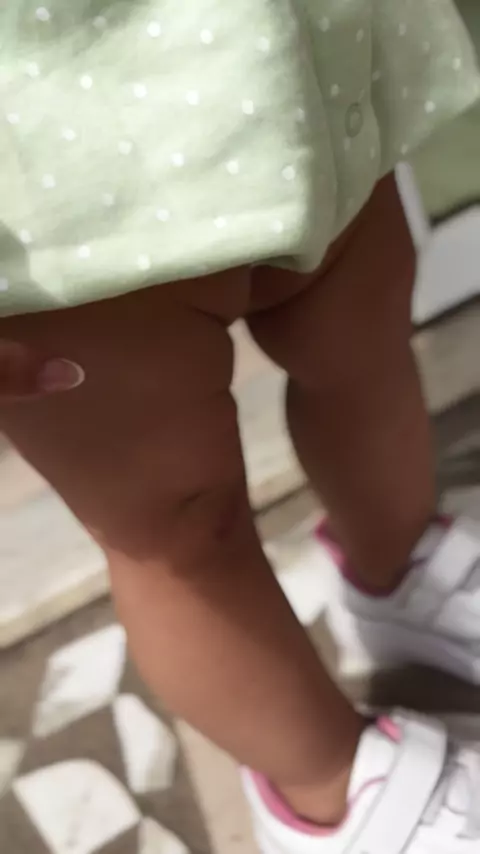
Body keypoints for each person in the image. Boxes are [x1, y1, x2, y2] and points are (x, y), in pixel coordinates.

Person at [1, 2, 480, 850]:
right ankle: (330, 791)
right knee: (181, 530)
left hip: (293, 63)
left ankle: (400, 572)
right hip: (54, 183)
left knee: (366, 352)